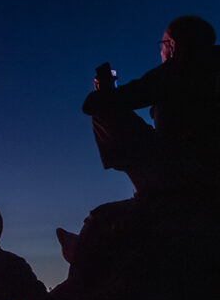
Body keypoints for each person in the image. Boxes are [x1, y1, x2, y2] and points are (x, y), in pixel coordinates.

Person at [82, 15, 220, 200]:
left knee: (103, 112)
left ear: (172, 45)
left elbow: (97, 104)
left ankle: (152, 192)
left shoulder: (178, 69)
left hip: (185, 167)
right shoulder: (210, 64)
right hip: (200, 164)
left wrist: (104, 91)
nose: (161, 52)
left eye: (162, 44)